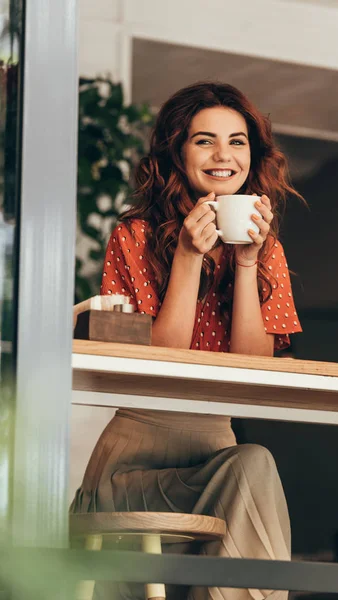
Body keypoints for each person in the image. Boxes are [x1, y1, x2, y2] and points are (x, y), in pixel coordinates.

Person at [71, 81, 303, 600]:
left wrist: (246, 262)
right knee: (253, 470)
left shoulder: (268, 251)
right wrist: (187, 256)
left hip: (215, 457)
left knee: (255, 463)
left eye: (238, 141)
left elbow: (251, 372)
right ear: (177, 152)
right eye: (204, 140)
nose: (224, 155)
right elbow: (156, 360)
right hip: (134, 460)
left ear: (253, 154)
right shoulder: (134, 235)